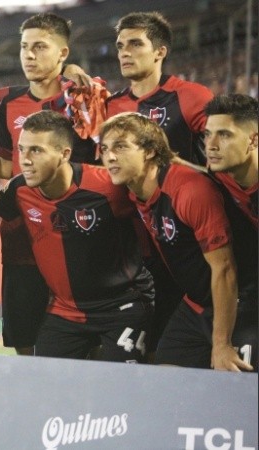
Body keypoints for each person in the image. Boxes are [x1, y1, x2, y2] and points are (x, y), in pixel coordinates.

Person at [0, 111, 154, 362]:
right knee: (47, 391)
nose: (24, 160)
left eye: (36, 151)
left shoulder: (109, 187)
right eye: (21, 150)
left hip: (122, 307)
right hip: (65, 312)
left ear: (64, 154)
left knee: (121, 391)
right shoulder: (18, 189)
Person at [100, 112, 256, 371]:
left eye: (121, 146)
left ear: (149, 151)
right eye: (105, 148)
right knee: (166, 384)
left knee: (238, 393)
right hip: (195, 305)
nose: (110, 156)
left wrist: (221, 344)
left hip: (243, 303)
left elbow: (225, 269)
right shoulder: (133, 187)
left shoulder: (189, 190)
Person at [0, 12, 101, 355]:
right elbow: (9, 165)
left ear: (63, 53)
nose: (29, 55)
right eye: (24, 47)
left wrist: (77, 78)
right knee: (25, 345)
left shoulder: (82, 98)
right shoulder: (9, 103)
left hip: (76, 239)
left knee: (83, 349)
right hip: (23, 241)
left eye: (39, 47)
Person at [106, 12, 212, 167]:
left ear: (160, 52)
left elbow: (227, 156)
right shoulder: (111, 105)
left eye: (136, 44)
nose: (124, 53)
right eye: (120, 46)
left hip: (187, 190)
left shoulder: (192, 96)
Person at [203, 94, 258, 229]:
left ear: (253, 141)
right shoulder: (217, 175)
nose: (211, 145)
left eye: (224, 135)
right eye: (208, 134)